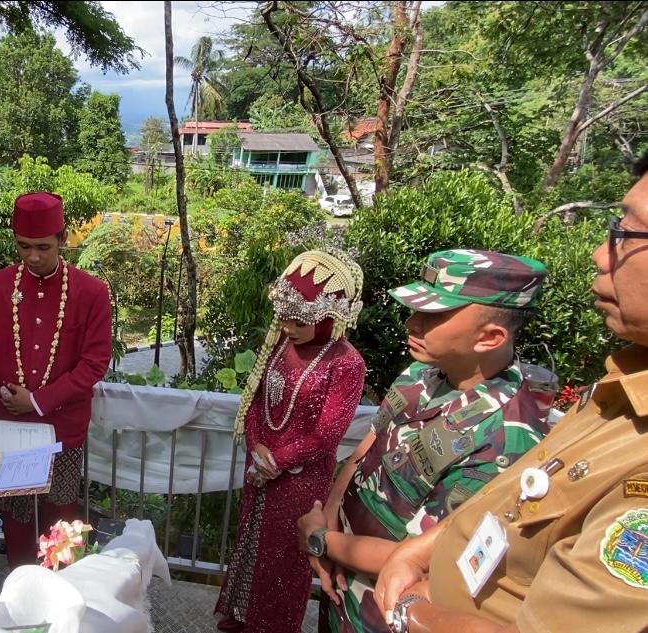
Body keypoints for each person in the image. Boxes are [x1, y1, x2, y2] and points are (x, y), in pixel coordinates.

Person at [372, 152, 648, 633]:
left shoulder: (510, 422)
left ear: (490, 338)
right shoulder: (616, 395)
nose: (600, 255)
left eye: (627, 233)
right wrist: (413, 555)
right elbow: (509, 505)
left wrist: (408, 610)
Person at [296, 249, 554, 633]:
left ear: (490, 336)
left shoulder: (504, 440)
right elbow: (369, 445)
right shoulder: (422, 373)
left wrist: (319, 540)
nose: (411, 323)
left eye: (432, 316)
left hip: (391, 612)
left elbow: (442, 557)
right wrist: (332, 514)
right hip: (342, 587)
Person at [0, 191, 113, 568]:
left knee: (62, 522)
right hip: (8, 431)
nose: (33, 257)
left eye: (42, 247)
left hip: (62, 430)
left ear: (63, 238)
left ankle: (64, 601)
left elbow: (94, 364)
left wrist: (37, 400)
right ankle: (21, 593)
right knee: (16, 522)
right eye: (24, 246)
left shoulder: (91, 292)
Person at [214, 247, 367, 633]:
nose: (287, 328)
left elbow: (328, 434)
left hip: (300, 484)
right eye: (283, 319)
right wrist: (256, 447)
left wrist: (276, 461)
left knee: (283, 563)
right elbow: (254, 401)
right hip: (262, 470)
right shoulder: (281, 345)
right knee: (250, 547)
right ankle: (242, 620)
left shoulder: (346, 363)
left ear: (329, 317)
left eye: (299, 321)